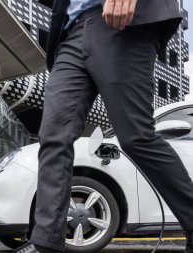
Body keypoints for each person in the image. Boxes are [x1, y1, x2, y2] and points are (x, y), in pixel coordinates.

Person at [13, 0, 193, 253]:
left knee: (136, 136)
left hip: (121, 21)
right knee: (53, 137)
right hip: (71, 32)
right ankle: (46, 242)